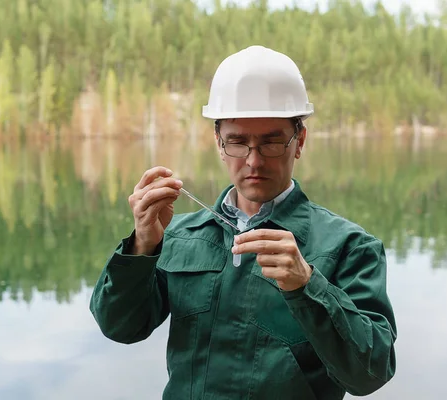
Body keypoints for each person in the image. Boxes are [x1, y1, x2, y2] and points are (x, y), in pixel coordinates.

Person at [89, 45, 397, 399]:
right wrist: (142, 245)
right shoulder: (176, 236)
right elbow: (120, 327)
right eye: (237, 142)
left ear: (299, 142)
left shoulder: (350, 248)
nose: (253, 161)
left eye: (271, 143)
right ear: (218, 143)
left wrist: (307, 286)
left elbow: (370, 374)